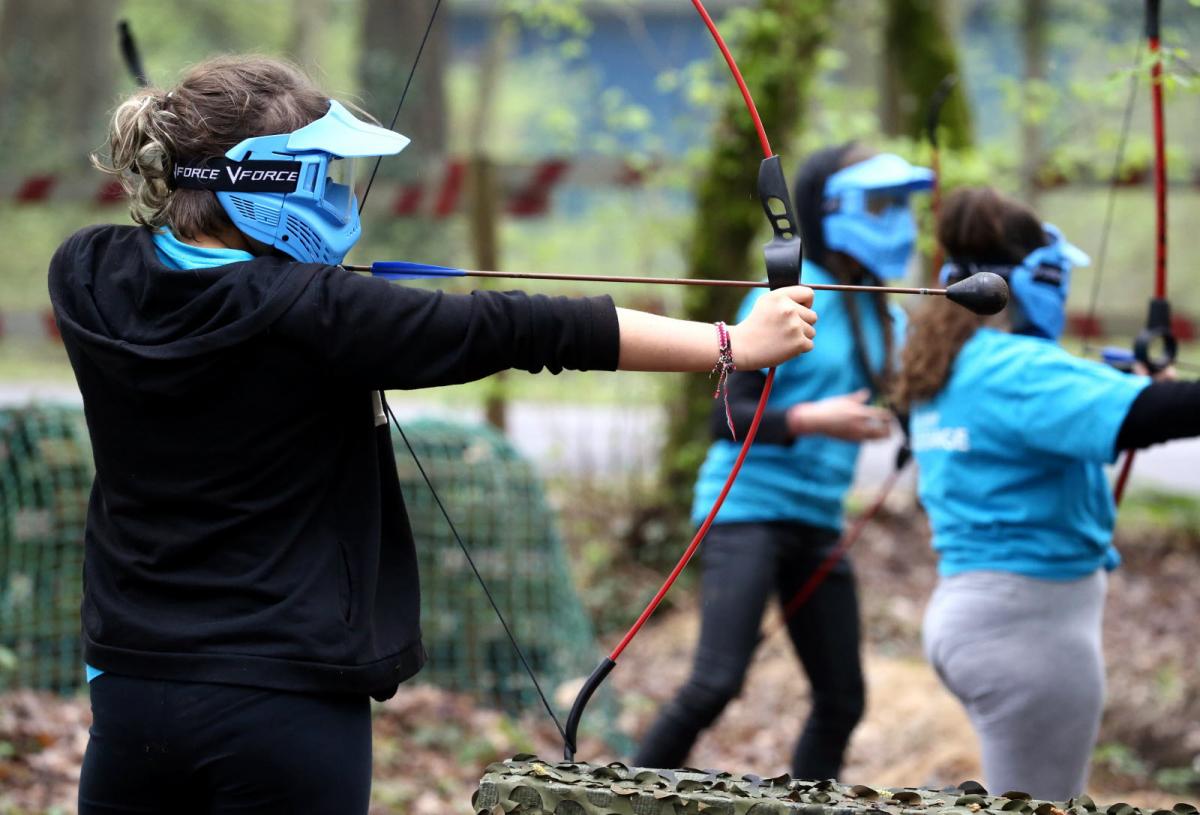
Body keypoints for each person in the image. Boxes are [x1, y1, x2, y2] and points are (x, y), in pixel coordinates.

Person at [52, 56, 819, 814]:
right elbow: (526, 328)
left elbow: (187, 268)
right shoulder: (323, 313)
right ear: (264, 183)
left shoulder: (86, 275)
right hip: (285, 705)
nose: (343, 197)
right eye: (325, 175)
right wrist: (735, 345)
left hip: (130, 696)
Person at [634, 144, 932, 780]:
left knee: (842, 701)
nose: (897, 219)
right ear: (832, 207)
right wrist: (811, 419)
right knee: (716, 682)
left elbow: (920, 404)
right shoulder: (786, 293)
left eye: (902, 205)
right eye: (880, 203)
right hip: (747, 508)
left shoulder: (885, 311)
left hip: (818, 518)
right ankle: (617, 793)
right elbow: (724, 418)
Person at [892, 186, 1199, 800]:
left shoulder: (949, 359)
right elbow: (1159, 414)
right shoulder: (1020, 371)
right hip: (1028, 638)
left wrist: (1120, 386)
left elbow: (1025, 415)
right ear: (1037, 278)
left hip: (975, 618)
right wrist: (1135, 394)